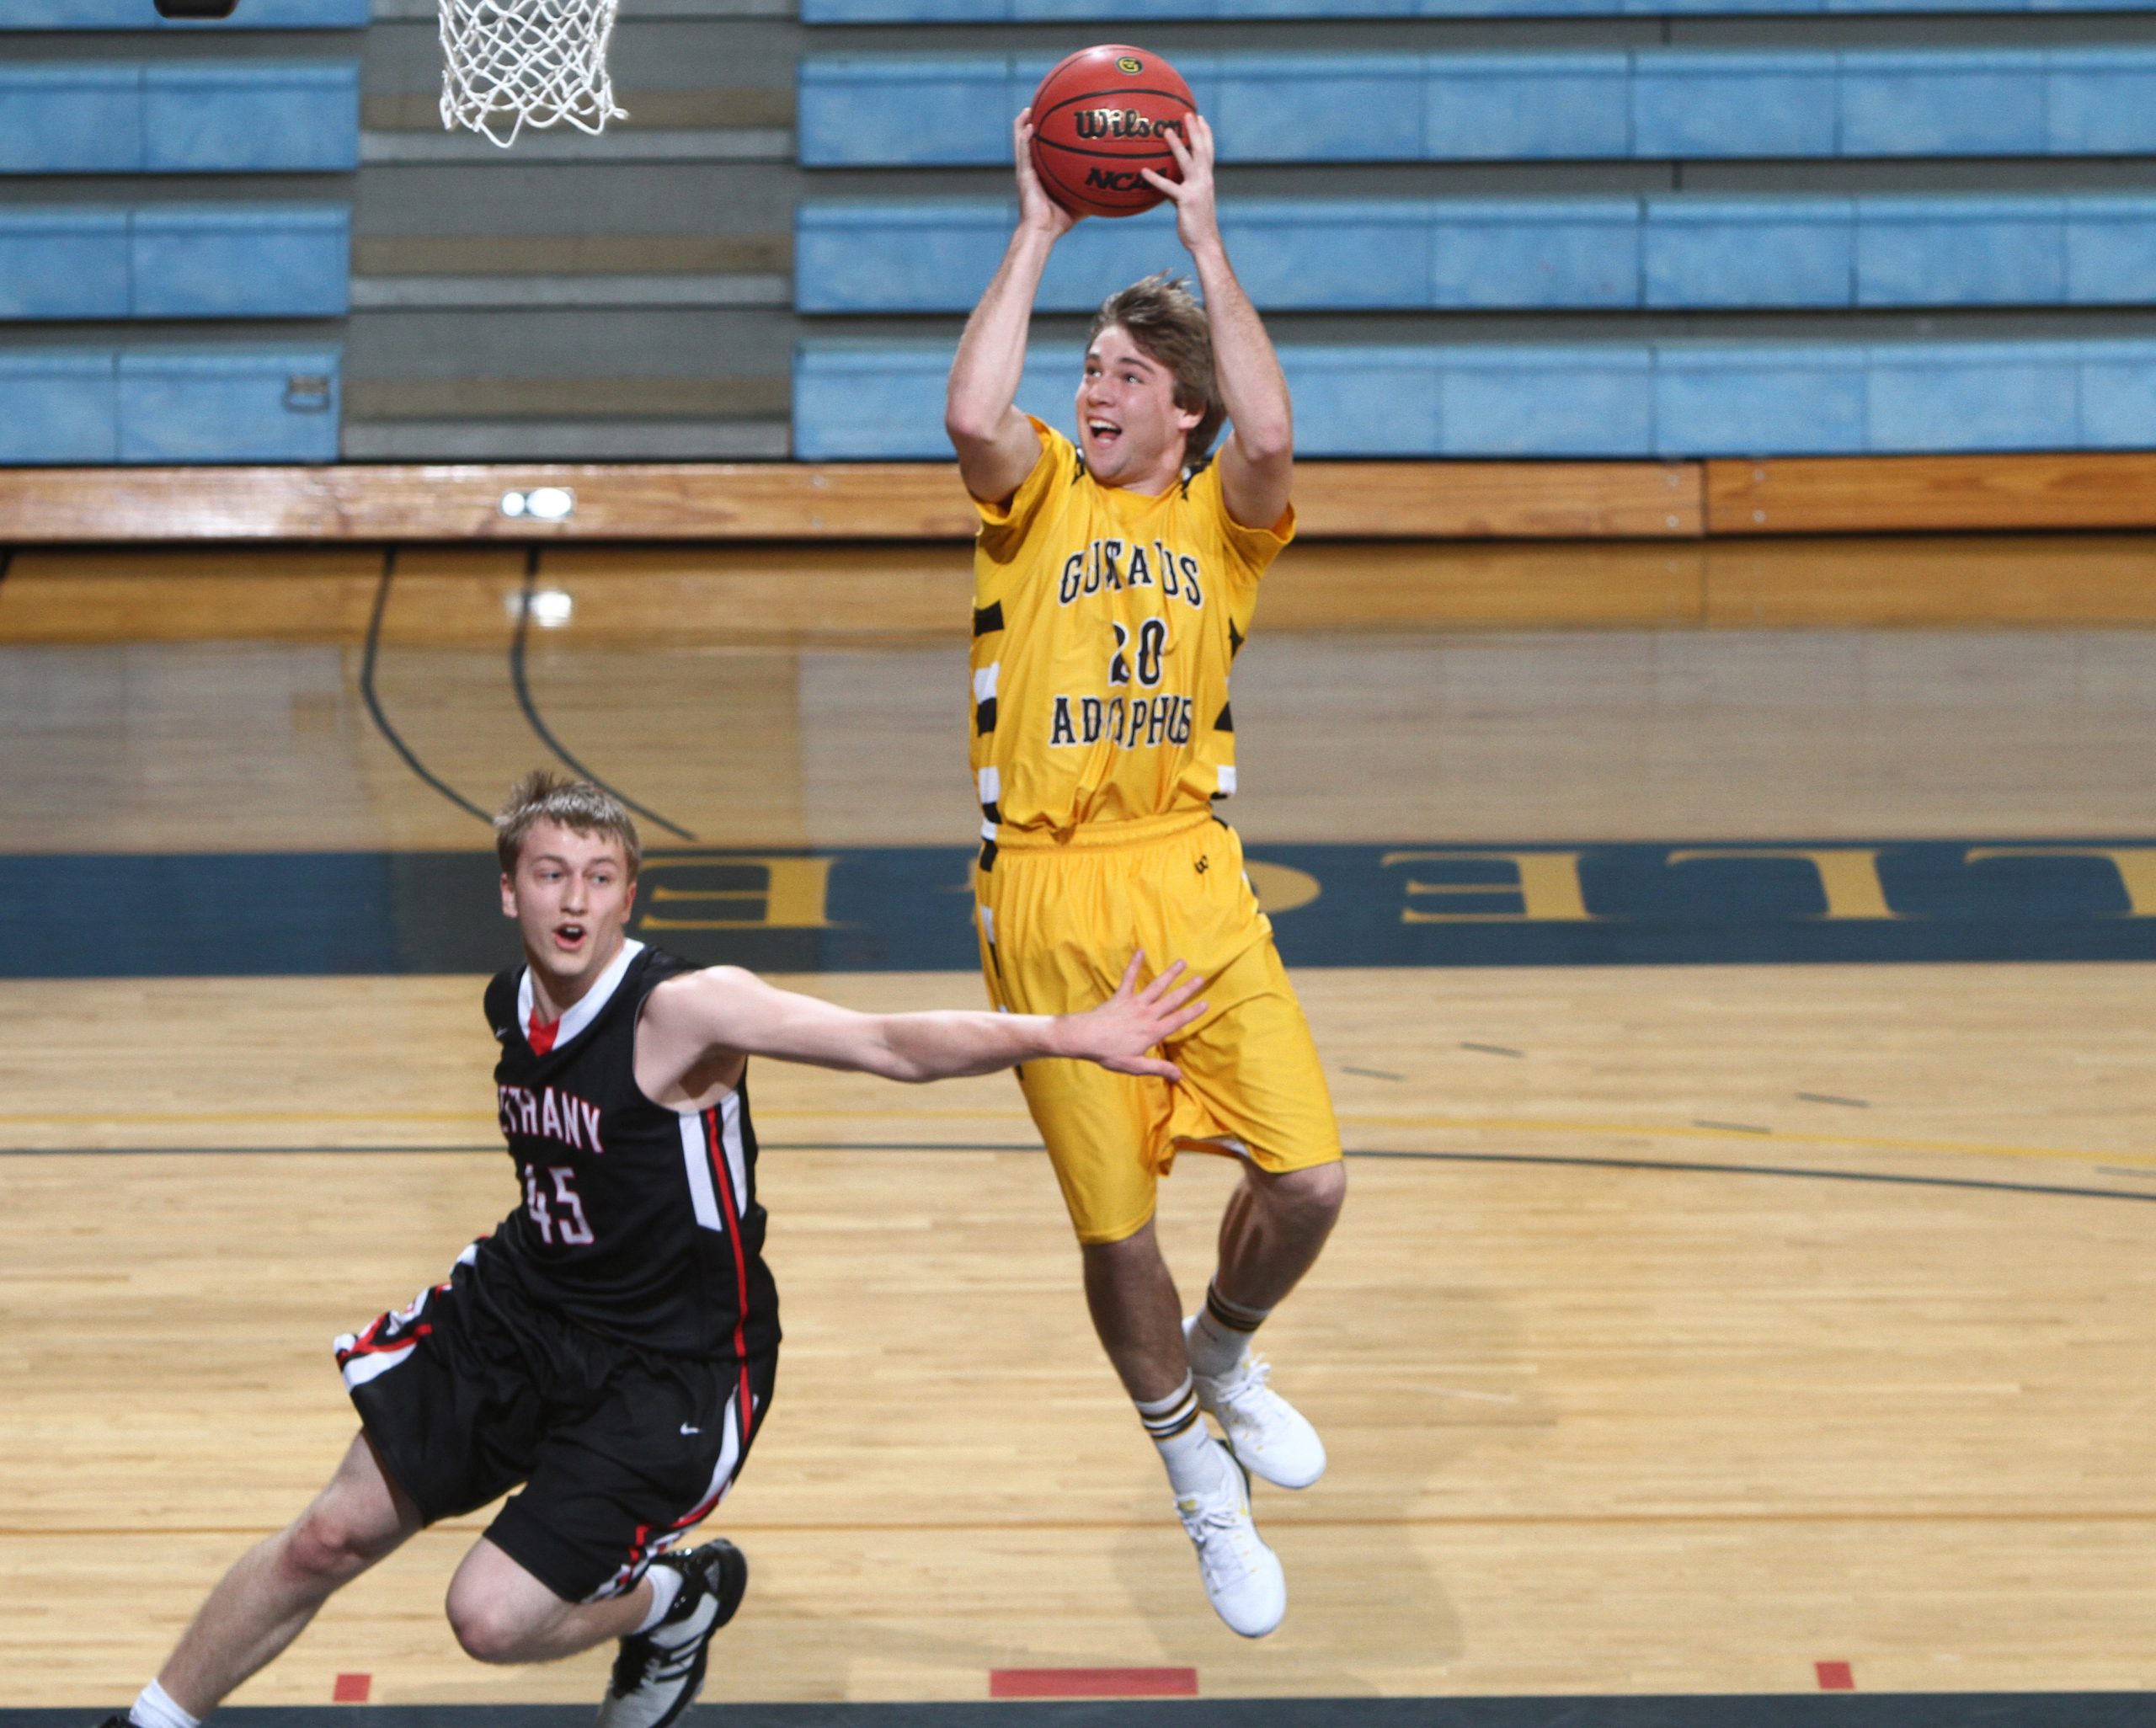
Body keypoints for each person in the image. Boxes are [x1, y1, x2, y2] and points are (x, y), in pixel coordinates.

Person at [100, 771, 1207, 1728]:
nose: (573, 896)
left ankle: (674, 1605)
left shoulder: (683, 1008)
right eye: (550, 873)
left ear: (629, 896)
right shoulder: (511, 1002)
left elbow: (880, 1042)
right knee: (323, 1541)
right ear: (508, 890)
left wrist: (1064, 1035)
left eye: (598, 876)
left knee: (487, 1619)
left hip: (670, 1364)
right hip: (523, 1314)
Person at [943, 108, 1348, 1639]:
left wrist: (1203, 243)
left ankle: (1227, 1353)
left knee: (1306, 1178)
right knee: (1117, 1232)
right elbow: (968, 408)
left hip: (1190, 877)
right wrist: (1043, 231)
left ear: (1177, 411)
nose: (1089, 389)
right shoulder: (1036, 487)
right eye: (1088, 371)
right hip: (1047, 894)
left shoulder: (1221, 520)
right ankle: (1193, 1476)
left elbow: (1276, 437)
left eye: (1121, 375)